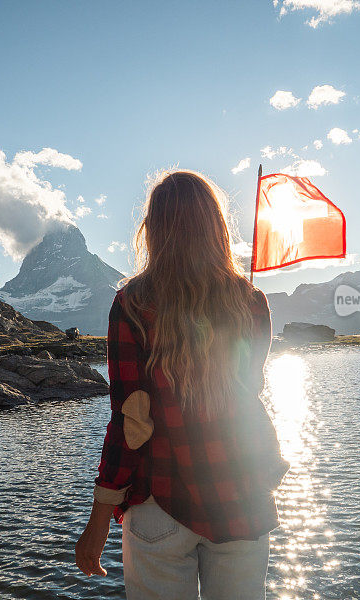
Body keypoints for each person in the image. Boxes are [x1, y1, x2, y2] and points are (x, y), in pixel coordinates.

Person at [75, 170, 289, 599]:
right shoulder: (250, 301)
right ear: (216, 227)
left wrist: (99, 521)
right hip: (241, 498)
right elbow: (249, 395)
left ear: (153, 231)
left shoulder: (132, 304)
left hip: (160, 503)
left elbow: (128, 421)